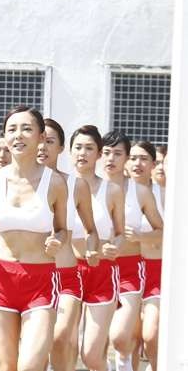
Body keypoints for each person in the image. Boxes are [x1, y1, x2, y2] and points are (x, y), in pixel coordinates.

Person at [0, 106, 67, 371]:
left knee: (30, 366)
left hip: (40, 281)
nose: (18, 135)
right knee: (6, 366)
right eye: (12, 129)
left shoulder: (55, 183)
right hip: (1, 278)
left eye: (27, 129)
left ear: (40, 137)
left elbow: (61, 228)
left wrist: (58, 240)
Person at [37, 118, 100, 371]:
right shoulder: (17, 183)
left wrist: (93, 248)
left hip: (66, 276)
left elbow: (91, 230)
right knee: (36, 350)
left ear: (61, 148)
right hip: (32, 278)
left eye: (49, 141)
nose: (42, 147)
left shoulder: (76, 184)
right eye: (39, 140)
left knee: (61, 338)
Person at [101, 131, 163, 371]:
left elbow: (164, 231)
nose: (111, 159)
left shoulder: (144, 192)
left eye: (118, 154)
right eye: (106, 153)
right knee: (109, 340)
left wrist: (140, 237)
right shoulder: (90, 187)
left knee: (130, 335)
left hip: (136, 269)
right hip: (98, 269)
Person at [68, 126, 125, 371]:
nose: (83, 153)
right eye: (78, 147)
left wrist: (113, 247)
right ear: (69, 151)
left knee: (91, 355)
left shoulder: (111, 190)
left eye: (89, 148)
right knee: (61, 345)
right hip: (67, 272)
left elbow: (120, 234)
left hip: (101, 273)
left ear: (99, 153)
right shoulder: (58, 185)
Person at [127, 141, 165, 371]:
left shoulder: (164, 194)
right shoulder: (117, 192)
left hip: (156, 272)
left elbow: (170, 235)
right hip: (126, 271)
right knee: (129, 339)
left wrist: (142, 236)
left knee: (150, 335)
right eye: (132, 158)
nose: (137, 163)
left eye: (143, 158)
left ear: (153, 163)